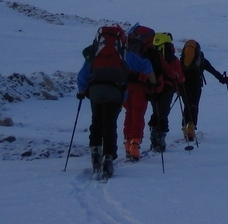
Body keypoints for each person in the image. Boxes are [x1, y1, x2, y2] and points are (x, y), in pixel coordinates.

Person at [76, 25, 149, 178]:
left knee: (96, 120)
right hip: (115, 91)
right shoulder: (124, 54)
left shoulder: (95, 53)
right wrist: (151, 81)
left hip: (95, 90)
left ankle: (95, 150)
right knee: (110, 124)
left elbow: (83, 75)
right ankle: (108, 158)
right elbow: (144, 66)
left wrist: (82, 90)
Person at [179, 39, 228, 141]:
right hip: (196, 85)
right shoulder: (201, 60)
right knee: (194, 105)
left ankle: (185, 126)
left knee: (187, 105)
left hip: (183, 85)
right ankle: (191, 128)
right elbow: (213, 71)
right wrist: (223, 79)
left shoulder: (182, 59)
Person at [121, 25, 157, 161]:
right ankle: (135, 145)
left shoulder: (123, 54)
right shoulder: (144, 59)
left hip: (124, 87)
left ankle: (127, 142)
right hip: (140, 88)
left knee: (128, 113)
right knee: (138, 115)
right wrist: (154, 84)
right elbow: (150, 74)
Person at [147, 33, 185, 153]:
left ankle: (154, 132)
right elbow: (180, 77)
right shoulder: (173, 59)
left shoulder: (151, 56)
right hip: (168, 88)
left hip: (153, 86)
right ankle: (160, 137)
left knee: (156, 110)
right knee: (163, 112)